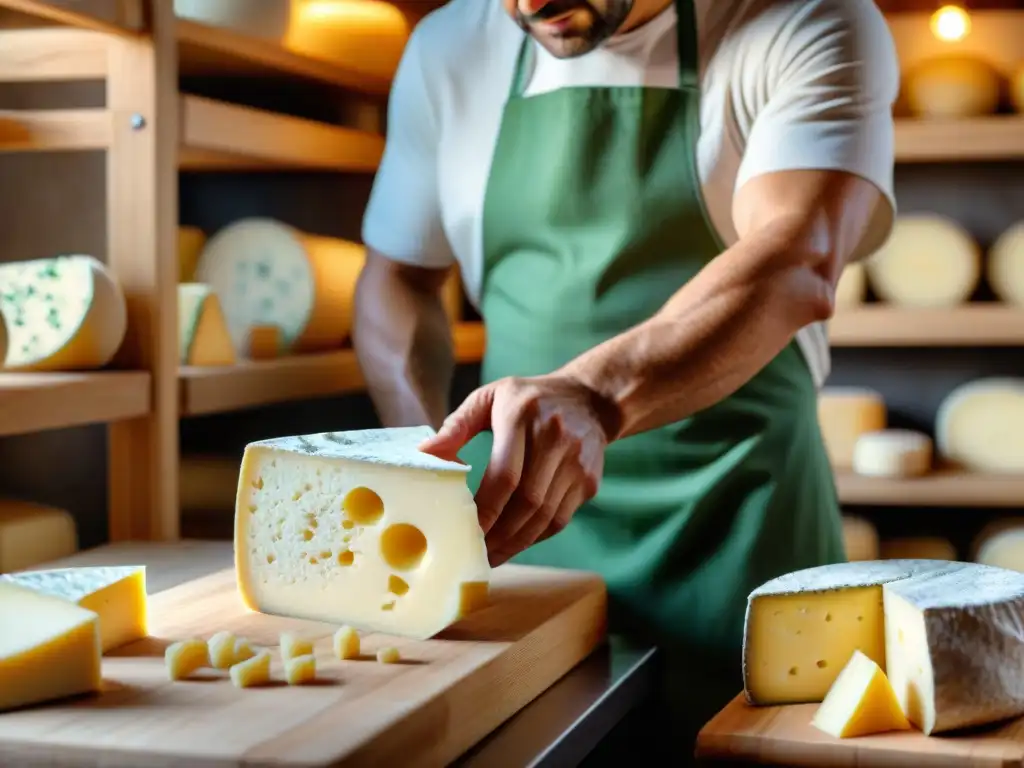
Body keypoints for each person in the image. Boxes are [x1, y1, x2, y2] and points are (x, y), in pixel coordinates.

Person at [355, 0, 899, 754]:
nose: (528, 5)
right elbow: (397, 280)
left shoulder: (806, 19)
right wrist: (425, 457)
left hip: (739, 537)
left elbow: (794, 256)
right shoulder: (449, 48)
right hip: (517, 535)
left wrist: (593, 398)